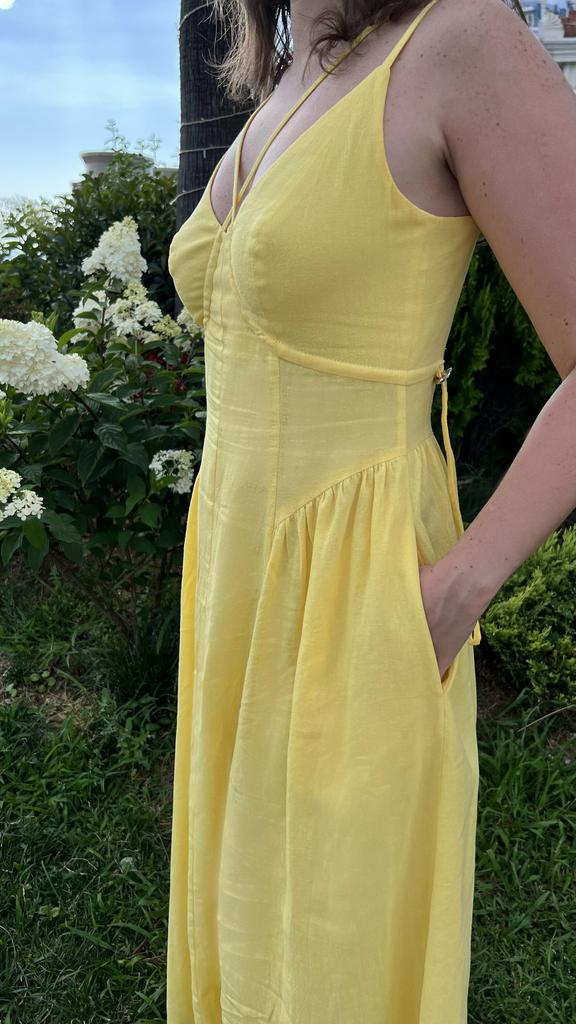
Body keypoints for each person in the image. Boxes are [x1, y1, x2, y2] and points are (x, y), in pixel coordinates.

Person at [166, 0, 576, 1020]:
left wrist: (457, 590)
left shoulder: (463, 41)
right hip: (233, 588)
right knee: (245, 930)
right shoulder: (290, 76)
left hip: (359, 599)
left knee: (331, 955)